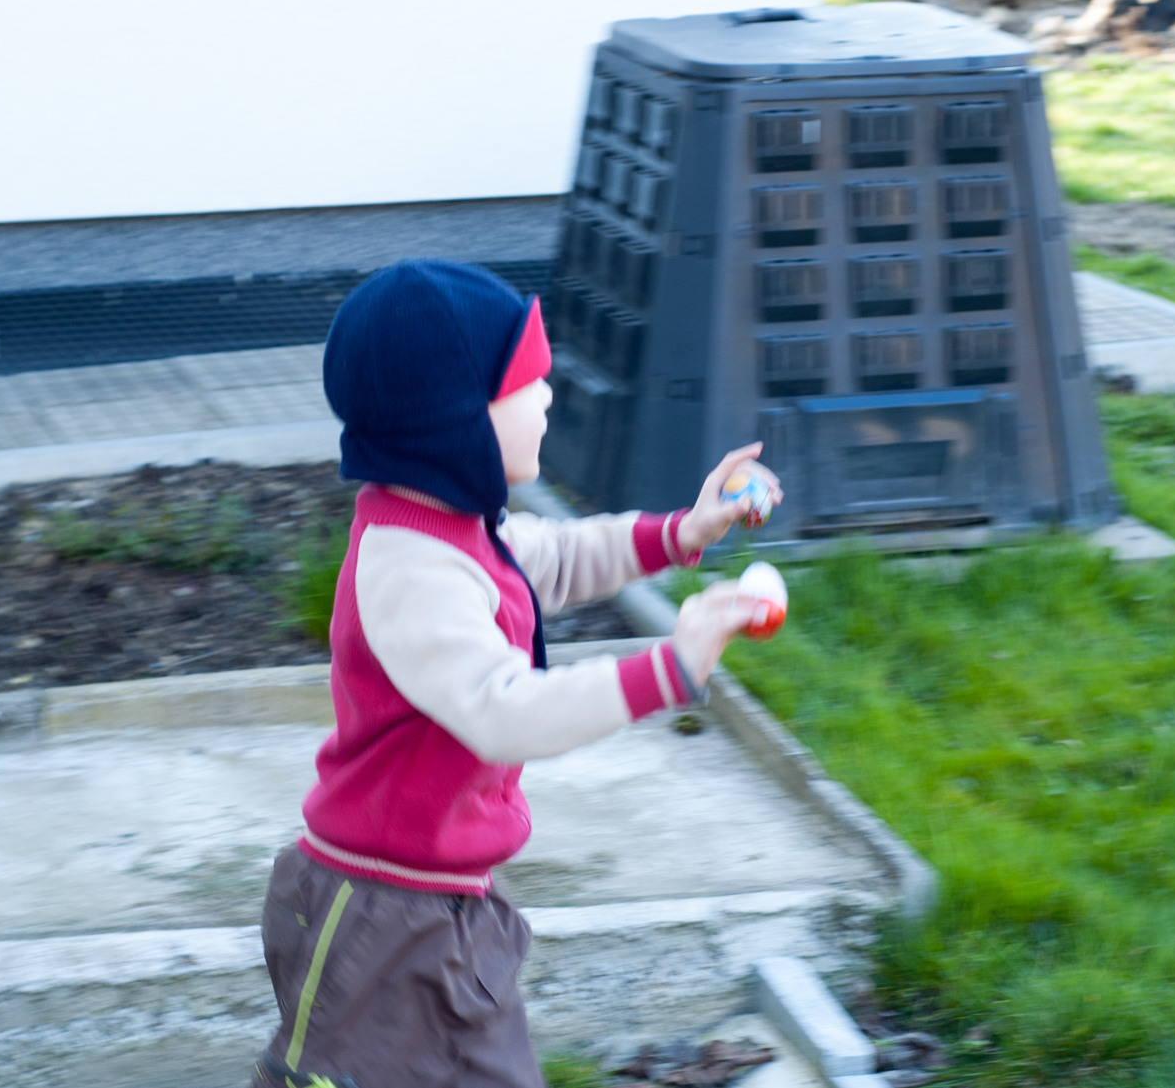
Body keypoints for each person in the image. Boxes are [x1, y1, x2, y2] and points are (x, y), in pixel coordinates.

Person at [252, 259, 781, 1088]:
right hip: (378, 915)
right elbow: (504, 712)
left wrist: (684, 529)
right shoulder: (410, 567)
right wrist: (670, 667)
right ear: (456, 414)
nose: (548, 396)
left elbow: (557, 556)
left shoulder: (457, 527)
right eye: (527, 383)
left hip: (440, 901)